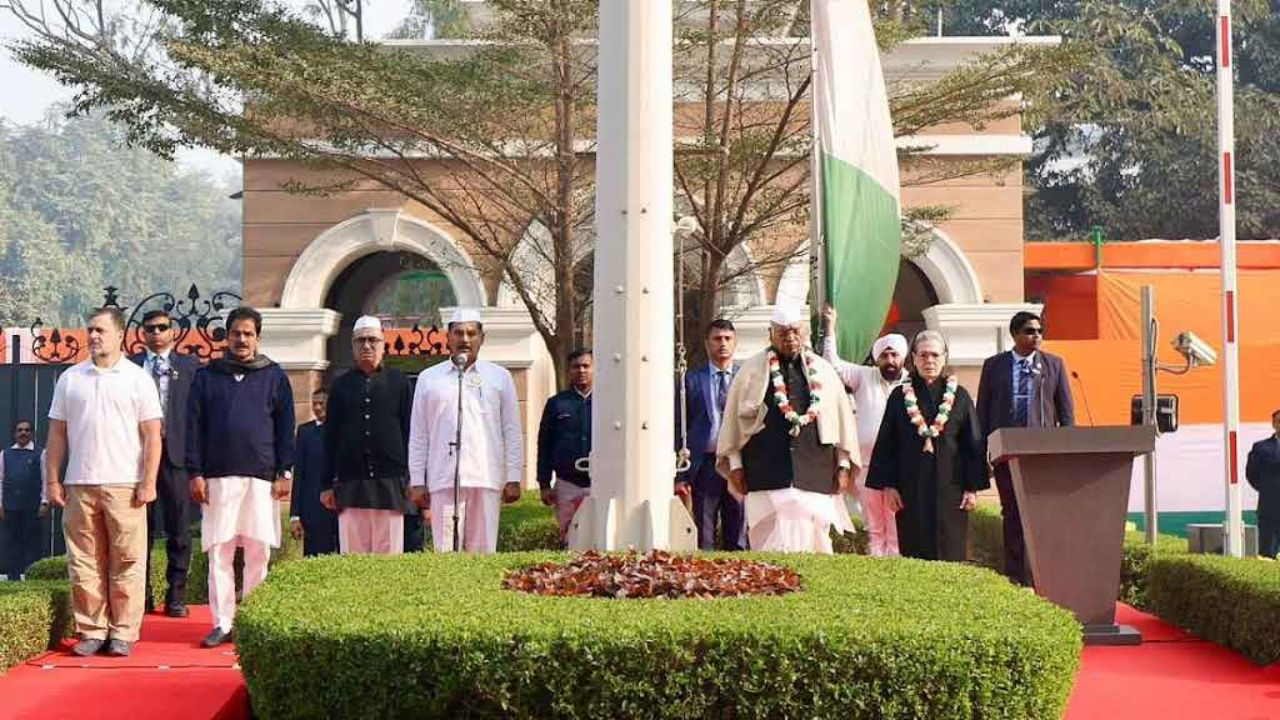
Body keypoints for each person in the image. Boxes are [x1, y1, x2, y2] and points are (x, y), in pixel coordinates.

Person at [44, 307, 163, 657]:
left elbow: (152, 435)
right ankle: (92, 630)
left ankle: (123, 632)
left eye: (100, 330)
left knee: (127, 561)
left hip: (126, 484)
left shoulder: (138, 378)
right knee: (84, 562)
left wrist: (149, 481)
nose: (93, 336)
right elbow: (57, 434)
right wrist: (52, 480)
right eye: (90, 330)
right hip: (79, 482)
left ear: (120, 335)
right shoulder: (70, 378)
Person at [187, 307, 294, 648]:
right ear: (227, 336)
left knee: (258, 550)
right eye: (236, 333)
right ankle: (222, 622)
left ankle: (253, 620)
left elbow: (285, 428)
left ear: (257, 337)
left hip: (261, 477)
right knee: (220, 550)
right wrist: (195, 473)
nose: (242, 339)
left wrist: (285, 471)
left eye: (248, 334)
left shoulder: (274, 377)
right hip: (217, 476)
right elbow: (193, 428)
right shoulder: (207, 377)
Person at [715, 303, 860, 553]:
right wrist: (736, 467)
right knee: (767, 546)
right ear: (771, 334)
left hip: (816, 471)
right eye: (782, 333)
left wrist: (844, 466)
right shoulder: (750, 371)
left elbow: (841, 422)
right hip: (765, 472)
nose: (790, 338)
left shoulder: (824, 371)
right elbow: (734, 425)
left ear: (804, 333)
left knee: (816, 544)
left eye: (795, 331)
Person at [408, 308, 523, 553]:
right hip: (443, 478)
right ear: (447, 337)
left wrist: (513, 476)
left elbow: (512, 430)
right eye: (458, 332)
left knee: (483, 554)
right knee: (447, 554)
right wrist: (417, 480)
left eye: (472, 333)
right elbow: (419, 434)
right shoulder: (429, 378)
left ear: (482, 338)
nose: (465, 339)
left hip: (485, 476)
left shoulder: (499, 377)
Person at [866, 331, 988, 561]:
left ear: (944, 358)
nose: (929, 361)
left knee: (950, 551)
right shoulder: (899, 396)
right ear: (913, 357)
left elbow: (973, 443)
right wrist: (889, 486)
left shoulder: (960, 396)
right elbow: (887, 443)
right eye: (923, 355)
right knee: (914, 550)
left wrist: (972, 488)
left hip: (951, 487)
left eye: (934, 355)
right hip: (910, 487)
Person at [977, 311, 1074, 584]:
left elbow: (1066, 414)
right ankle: (1015, 574)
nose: (1037, 337)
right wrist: (982, 452)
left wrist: (1066, 452)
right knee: (1012, 512)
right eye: (1031, 331)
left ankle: (1041, 573)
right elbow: (982, 411)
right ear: (1015, 334)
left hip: (1041, 455)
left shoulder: (1053, 365)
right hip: (1006, 453)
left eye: (1040, 331)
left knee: (1039, 512)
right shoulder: (994, 366)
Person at [320, 316, 414, 555]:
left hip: (391, 483)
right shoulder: (340, 386)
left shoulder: (400, 383)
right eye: (360, 340)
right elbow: (330, 438)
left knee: (390, 561)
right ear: (352, 346)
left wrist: (414, 479)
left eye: (373, 340)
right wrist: (326, 484)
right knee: (352, 559)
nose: (367, 346)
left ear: (384, 345)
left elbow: (411, 433)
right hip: (350, 484)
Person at [820, 305, 909, 557]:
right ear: (877, 358)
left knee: (895, 523)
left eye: (894, 355)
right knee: (873, 523)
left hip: (900, 466)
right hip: (868, 465)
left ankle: (895, 569)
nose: (889, 360)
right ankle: (875, 566)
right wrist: (830, 328)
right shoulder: (865, 376)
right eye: (884, 355)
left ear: (902, 357)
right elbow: (832, 365)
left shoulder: (911, 384)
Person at [128, 309, 199, 617]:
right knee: (136, 529)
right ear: (142, 334)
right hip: (137, 458)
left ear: (173, 331)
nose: (156, 333)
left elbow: (200, 417)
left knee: (179, 530)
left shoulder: (191, 367)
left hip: (177, 457)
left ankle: (176, 596)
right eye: (150, 328)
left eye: (162, 327)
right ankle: (139, 594)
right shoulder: (128, 368)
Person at [676, 319, 746, 551]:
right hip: (705, 464)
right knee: (704, 534)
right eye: (717, 339)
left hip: (738, 463)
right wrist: (680, 474)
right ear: (707, 344)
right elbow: (679, 425)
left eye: (727, 339)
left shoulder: (747, 379)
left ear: (735, 343)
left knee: (737, 532)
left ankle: (740, 581)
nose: (722, 344)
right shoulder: (691, 380)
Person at [537, 349, 594, 542]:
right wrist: (544, 484)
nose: (581, 371)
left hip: (600, 484)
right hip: (567, 483)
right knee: (568, 537)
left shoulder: (608, 403)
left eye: (586, 366)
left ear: (594, 368)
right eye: (576, 367)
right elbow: (544, 445)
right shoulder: (557, 404)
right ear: (569, 371)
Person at [289, 389, 339, 557]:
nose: (317, 408)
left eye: (321, 403)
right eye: (314, 404)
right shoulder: (305, 432)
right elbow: (299, 475)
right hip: (312, 510)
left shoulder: (342, 430)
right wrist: (295, 515)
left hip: (337, 507)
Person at [0, 421, 48, 581]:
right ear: (15, 433)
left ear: (32, 433)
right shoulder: (5, 454)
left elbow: (46, 479)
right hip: (10, 506)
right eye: (20, 430)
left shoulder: (40, 453)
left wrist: (44, 502)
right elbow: (0, 480)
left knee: (32, 543)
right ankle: (13, 578)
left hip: (32, 507)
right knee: (12, 542)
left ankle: (31, 577)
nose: (23, 433)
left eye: (27, 430)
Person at [1245, 409, 1280, 559]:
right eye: (1279, 421)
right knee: (1267, 555)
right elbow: (1252, 474)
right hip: (1269, 509)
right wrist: (1268, 489)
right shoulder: (1261, 447)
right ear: (1274, 424)